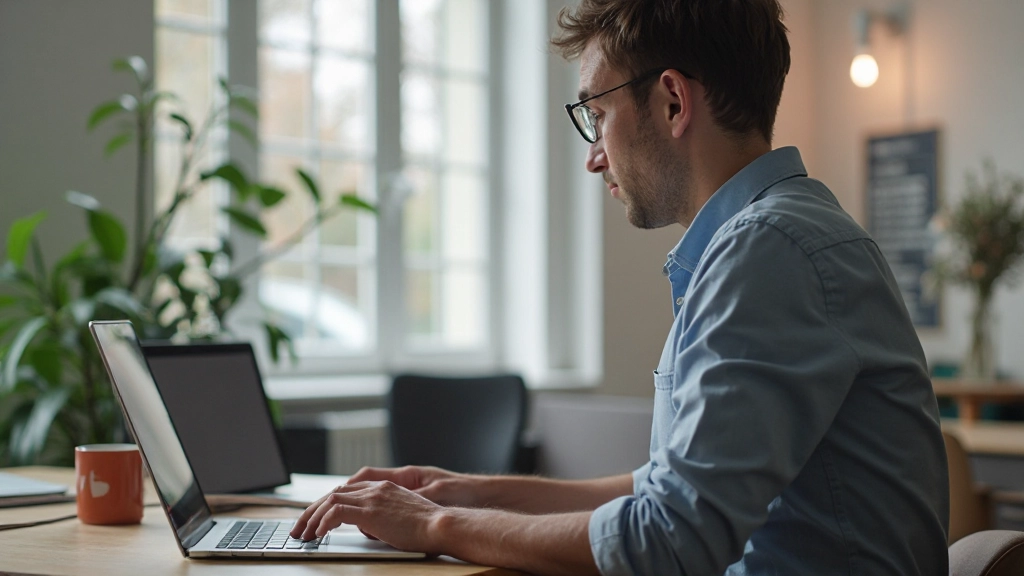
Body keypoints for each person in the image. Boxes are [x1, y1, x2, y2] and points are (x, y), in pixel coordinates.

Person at [290, 0, 950, 574]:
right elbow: (662, 493)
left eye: (596, 114)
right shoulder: (773, 238)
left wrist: (435, 528)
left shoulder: (768, 252)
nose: (592, 154)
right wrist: (460, 492)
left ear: (671, 101)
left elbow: (668, 540)